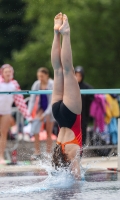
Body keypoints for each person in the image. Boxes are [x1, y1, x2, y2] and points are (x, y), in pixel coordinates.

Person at [51, 13, 82, 179]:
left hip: (71, 116)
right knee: (57, 71)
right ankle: (56, 32)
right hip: (58, 114)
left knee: (68, 70)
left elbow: (76, 180)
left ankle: (65, 33)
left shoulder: (72, 152)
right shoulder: (60, 151)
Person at [0, 64, 32, 164]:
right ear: (2, 73)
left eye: (9, 72)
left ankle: (1, 157)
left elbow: (20, 101)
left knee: (3, 134)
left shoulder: (14, 84)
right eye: (6, 72)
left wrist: (27, 115)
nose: (8, 73)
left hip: (6, 112)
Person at [28, 67, 54, 160]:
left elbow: (52, 102)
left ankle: (48, 152)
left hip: (50, 108)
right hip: (41, 108)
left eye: (42, 76)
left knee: (48, 131)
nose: (40, 78)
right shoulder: (37, 84)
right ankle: (37, 151)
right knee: (36, 129)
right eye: (39, 76)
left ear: (47, 75)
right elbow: (32, 99)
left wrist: (45, 114)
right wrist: (28, 113)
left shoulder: (52, 84)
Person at [75, 66, 94, 146]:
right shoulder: (70, 86)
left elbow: (92, 97)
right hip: (73, 113)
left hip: (84, 113)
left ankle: (81, 148)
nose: (78, 77)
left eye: (80, 75)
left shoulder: (87, 87)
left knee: (83, 130)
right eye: (76, 75)